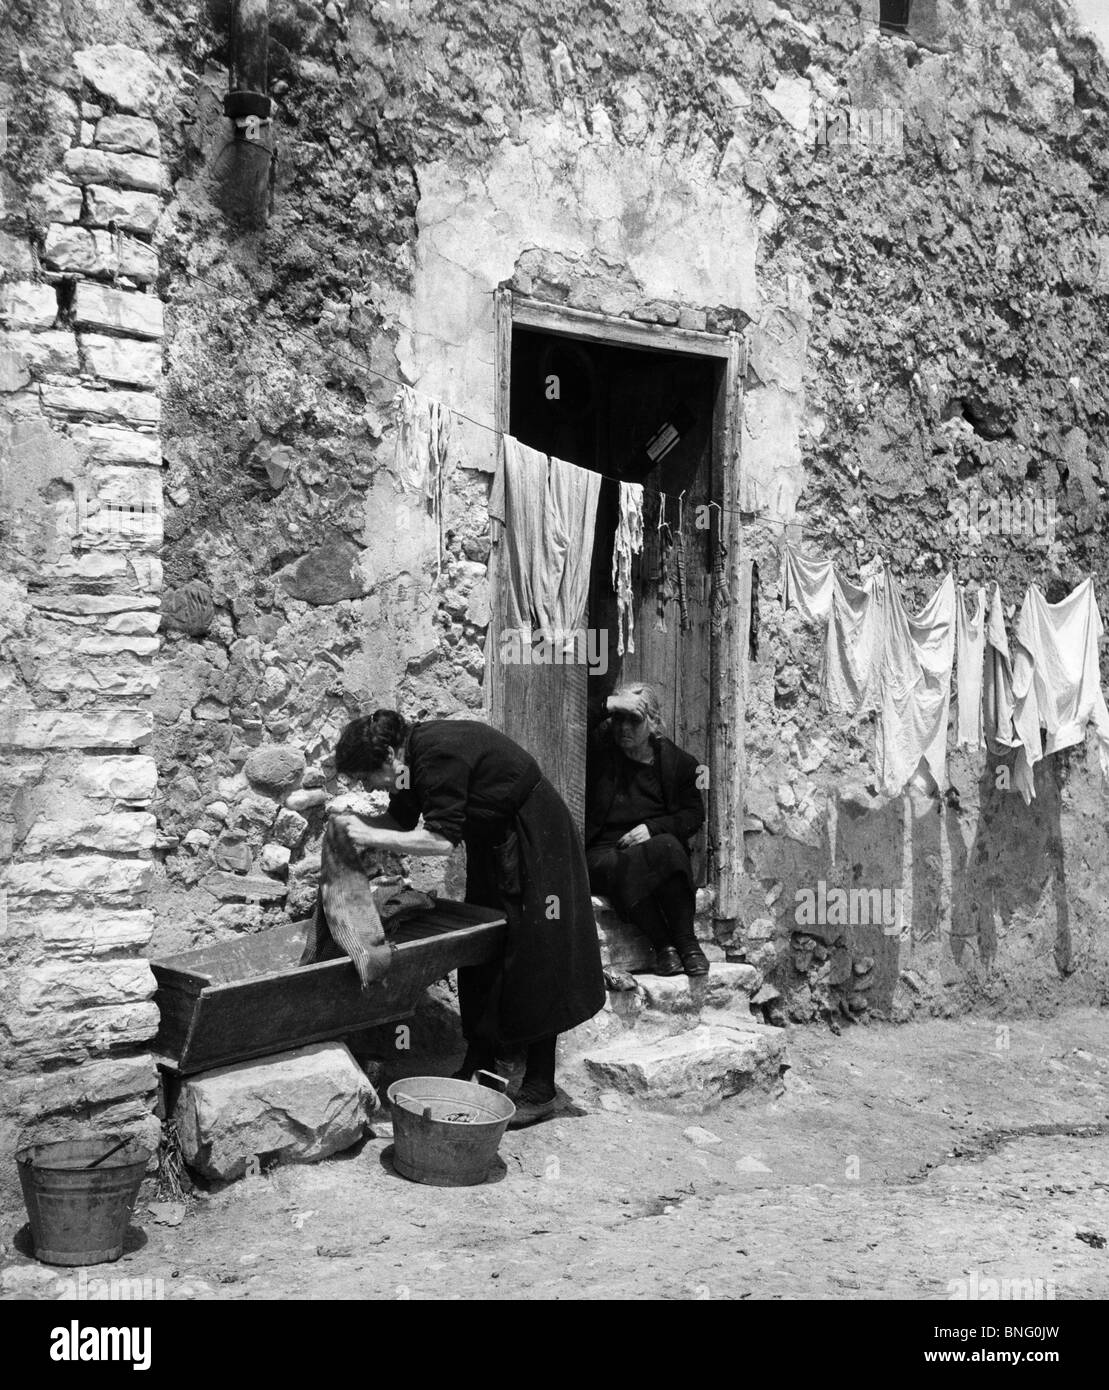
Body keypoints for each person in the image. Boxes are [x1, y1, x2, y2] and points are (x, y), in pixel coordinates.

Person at [330, 710, 606, 1128]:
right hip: (493, 845)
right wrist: (353, 826)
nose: (368, 787)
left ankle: (540, 1086)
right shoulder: (411, 764)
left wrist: (370, 836)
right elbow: (402, 821)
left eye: (368, 777)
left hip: (534, 837)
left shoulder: (438, 754)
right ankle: (479, 1062)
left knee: (534, 955)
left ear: (388, 755)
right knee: (483, 948)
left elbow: (440, 841)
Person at [585, 683, 708, 977]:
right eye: (620, 719)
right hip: (605, 851)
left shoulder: (679, 764)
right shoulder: (601, 751)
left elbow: (694, 814)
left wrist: (652, 828)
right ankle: (663, 945)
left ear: (653, 722)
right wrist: (613, 703)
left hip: (653, 847)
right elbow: (573, 719)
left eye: (635, 719)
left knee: (668, 848)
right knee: (621, 864)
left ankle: (687, 944)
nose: (624, 728)